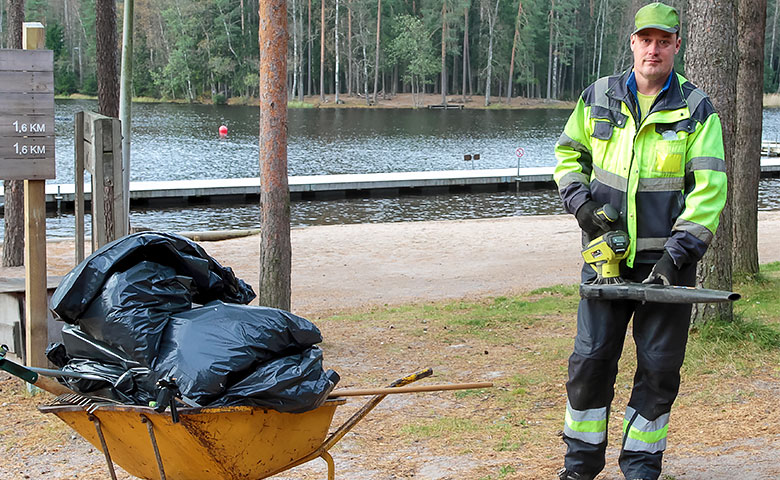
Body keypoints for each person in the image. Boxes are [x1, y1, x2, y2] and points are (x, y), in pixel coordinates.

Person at [552, 3, 727, 480]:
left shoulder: (697, 109)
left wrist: (675, 257)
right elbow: (568, 155)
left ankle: (642, 468)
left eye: (663, 41)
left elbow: (709, 192)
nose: (654, 49)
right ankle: (579, 468)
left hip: (666, 269)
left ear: (676, 46)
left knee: (658, 370)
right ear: (632, 43)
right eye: (646, 40)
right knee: (589, 363)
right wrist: (582, 207)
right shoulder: (598, 96)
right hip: (605, 262)